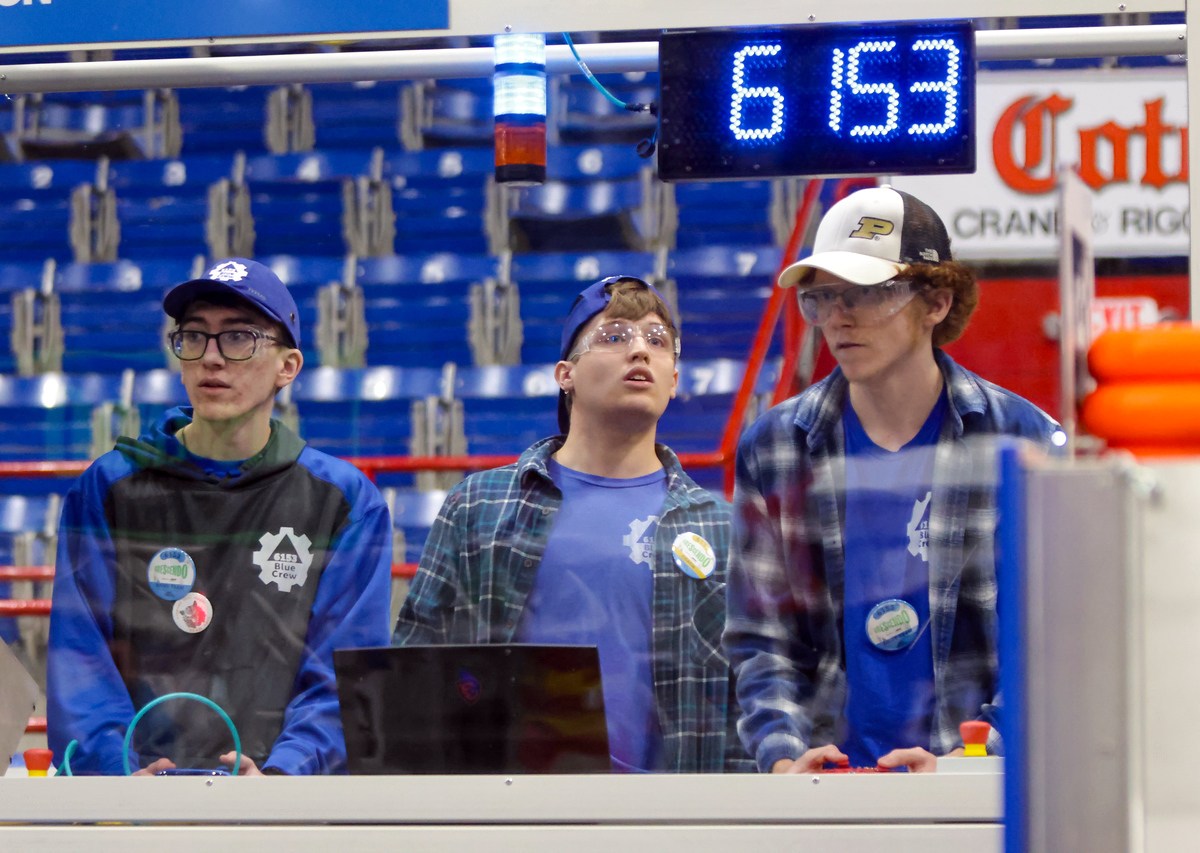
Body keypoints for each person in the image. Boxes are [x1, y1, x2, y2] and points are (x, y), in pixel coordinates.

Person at [724, 186, 1063, 775]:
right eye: (822, 297)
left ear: (936, 302)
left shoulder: (1022, 439)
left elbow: (1055, 636)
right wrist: (786, 759)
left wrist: (970, 762)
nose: (838, 317)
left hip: (976, 788)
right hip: (828, 791)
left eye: (866, 294)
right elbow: (763, 640)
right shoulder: (775, 447)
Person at [47, 258, 393, 776]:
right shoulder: (109, 488)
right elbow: (81, 658)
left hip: (281, 802)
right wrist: (118, 778)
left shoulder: (344, 503)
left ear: (288, 367)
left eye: (238, 338)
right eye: (194, 336)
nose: (211, 358)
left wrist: (282, 777)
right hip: (135, 798)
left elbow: (344, 673)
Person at [394, 276, 747, 773]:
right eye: (614, 336)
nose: (640, 351)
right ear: (566, 374)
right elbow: (417, 663)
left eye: (657, 340)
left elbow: (746, 697)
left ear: (673, 379)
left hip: (671, 806)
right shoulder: (479, 504)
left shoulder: (721, 528)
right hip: (513, 801)